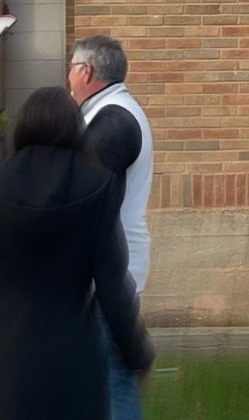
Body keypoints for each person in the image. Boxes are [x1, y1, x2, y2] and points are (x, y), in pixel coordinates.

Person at [0, 86, 154, 420]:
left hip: (3, 350)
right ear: (74, 128)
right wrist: (137, 353)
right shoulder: (98, 185)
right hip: (73, 353)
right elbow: (113, 288)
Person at [68, 35, 154, 420]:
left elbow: (86, 202)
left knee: (113, 377)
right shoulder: (111, 114)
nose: (67, 75)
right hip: (111, 268)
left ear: (85, 71)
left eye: (70, 66)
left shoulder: (113, 122)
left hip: (111, 273)